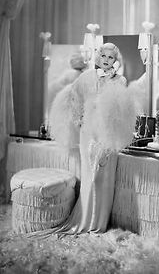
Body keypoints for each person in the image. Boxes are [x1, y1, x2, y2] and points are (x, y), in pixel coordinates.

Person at [43, 42, 141, 236]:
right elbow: (73, 98)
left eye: (110, 57)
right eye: (103, 56)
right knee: (90, 177)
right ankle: (87, 219)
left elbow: (123, 111)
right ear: (98, 57)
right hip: (88, 134)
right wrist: (78, 118)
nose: (106, 60)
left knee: (105, 178)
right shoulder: (86, 77)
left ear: (115, 60)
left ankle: (100, 223)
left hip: (107, 136)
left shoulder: (120, 81)